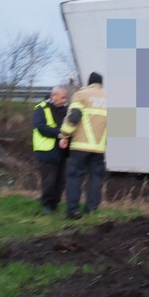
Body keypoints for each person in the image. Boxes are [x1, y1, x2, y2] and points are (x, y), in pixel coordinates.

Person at [59, 72, 108, 220]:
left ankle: (73, 211)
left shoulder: (81, 95)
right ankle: (91, 209)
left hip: (80, 145)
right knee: (96, 178)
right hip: (99, 147)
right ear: (101, 84)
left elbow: (73, 116)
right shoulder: (109, 98)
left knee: (75, 177)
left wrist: (64, 135)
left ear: (89, 82)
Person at [32, 86, 70, 214]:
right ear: (53, 96)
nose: (65, 100)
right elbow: (41, 127)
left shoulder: (65, 110)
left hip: (62, 151)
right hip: (47, 151)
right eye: (62, 97)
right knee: (49, 180)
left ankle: (55, 204)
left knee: (61, 180)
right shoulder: (41, 108)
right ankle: (47, 205)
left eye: (65, 97)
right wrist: (60, 134)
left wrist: (66, 138)